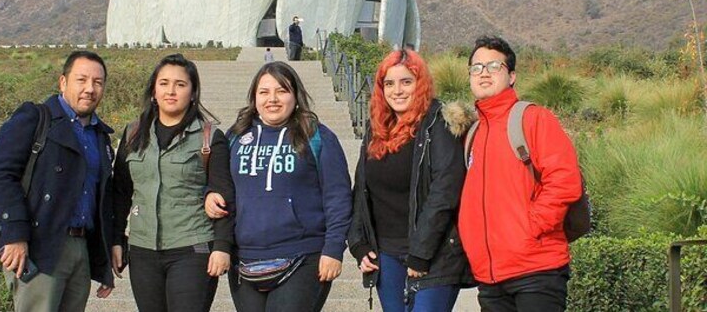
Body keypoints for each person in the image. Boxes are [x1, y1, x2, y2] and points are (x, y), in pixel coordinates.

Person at [205, 61, 352, 312]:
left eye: (282, 91)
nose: (272, 99)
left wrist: (334, 249)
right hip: (246, 259)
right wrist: (209, 194)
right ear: (254, 97)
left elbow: (338, 197)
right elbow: (222, 185)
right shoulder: (236, 136)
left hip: (303, 256)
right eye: (264, 92)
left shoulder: (317, 136)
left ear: (295, 96)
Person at [459, 36, 583, 312]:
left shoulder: (533, 119)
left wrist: (530, 227)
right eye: (476, 68)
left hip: (536, 271)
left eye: (494, 66)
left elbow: (565, 181)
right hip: (490, 277)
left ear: (512, 75)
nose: (484, 73)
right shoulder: (474, 133)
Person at [0, 51, 115, 312]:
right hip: (39, 246)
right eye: (81, 80)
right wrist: (15, 234)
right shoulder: (35, 118)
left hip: (80, 248)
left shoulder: (99, 135)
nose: (89, 89)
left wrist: (107, 250)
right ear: (63, 82)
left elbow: (103, 196)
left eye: (98, 82)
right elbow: (0, 174)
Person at [348, 49, 474, 312]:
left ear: (421, 84)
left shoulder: (438, 124)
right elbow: (361, 190)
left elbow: (445, 192)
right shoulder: (377, 128)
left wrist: (420, 253)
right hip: (386, 255)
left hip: (435, 255)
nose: (397, 90)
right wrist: (359, 244)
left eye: (406, 81)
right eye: (389, 83)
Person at [111, 53, 232, 312]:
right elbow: (121, 192)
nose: (171, 91)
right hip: (142, 248)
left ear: (193, 91)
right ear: (153, 90)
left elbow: (223, 196)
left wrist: (222, 247)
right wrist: (116, 239)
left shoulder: (210, 138)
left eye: (180, 84)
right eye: (164, 83)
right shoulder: (133, 134)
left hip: (192, 247)